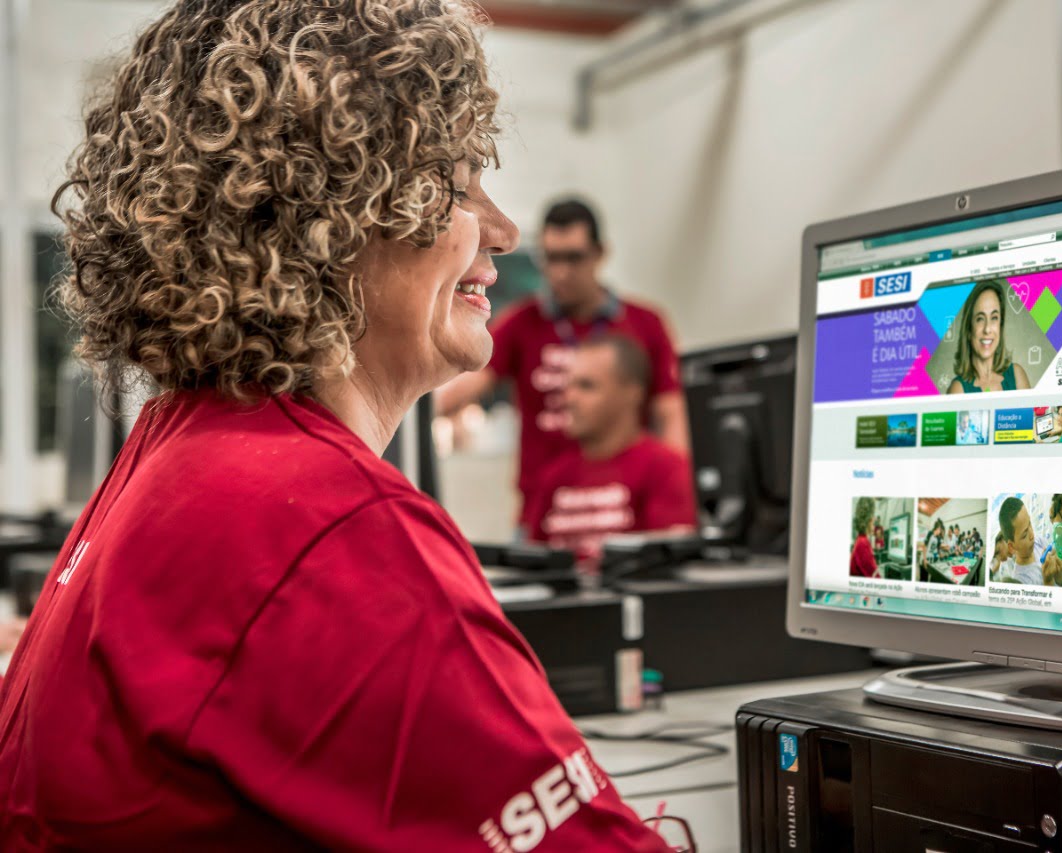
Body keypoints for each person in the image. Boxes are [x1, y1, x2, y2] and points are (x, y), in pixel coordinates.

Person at [0, 3, 671, 849]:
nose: (503, 232)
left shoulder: (175, 449)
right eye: (459, 184)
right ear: (336, 214)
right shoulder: (328, 524)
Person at [437, 198, 690, 528]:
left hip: (623, 509)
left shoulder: (644, 325)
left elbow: (670, 413)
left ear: (600, 253)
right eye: (551, 258)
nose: (560, 273)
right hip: (545, 511)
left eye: (573, 258)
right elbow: (465, 387)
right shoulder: (521, 324)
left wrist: (675, 488)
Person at [525, 335, 696, 573]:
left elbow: (668, 570)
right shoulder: (555, 477)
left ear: (632, 393)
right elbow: (533, 567)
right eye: (568, 387)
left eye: (586, 386)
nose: (569, 399)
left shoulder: (667, 470)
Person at [947, 280, 1031, 394]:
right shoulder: (958, 389)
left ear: (1000, 326)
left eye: (994, 318)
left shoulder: (1017, 376)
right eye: (980, 319)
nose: (987, 329)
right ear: (969, 329)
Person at [993, 497, 1062, 586]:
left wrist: (1060, 576)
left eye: (1029, 523)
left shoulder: (1037, 541)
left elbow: (1055, 554)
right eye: (1024, 535)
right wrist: (1049, 581)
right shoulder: (1020, 581)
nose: (1032, 535)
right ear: (1012, 547)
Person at [850, 498, 880, 578]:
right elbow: (877, 580)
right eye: (873, 514)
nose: (874, 518)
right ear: (869, 518)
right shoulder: (863, 543)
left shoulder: (860, 539)